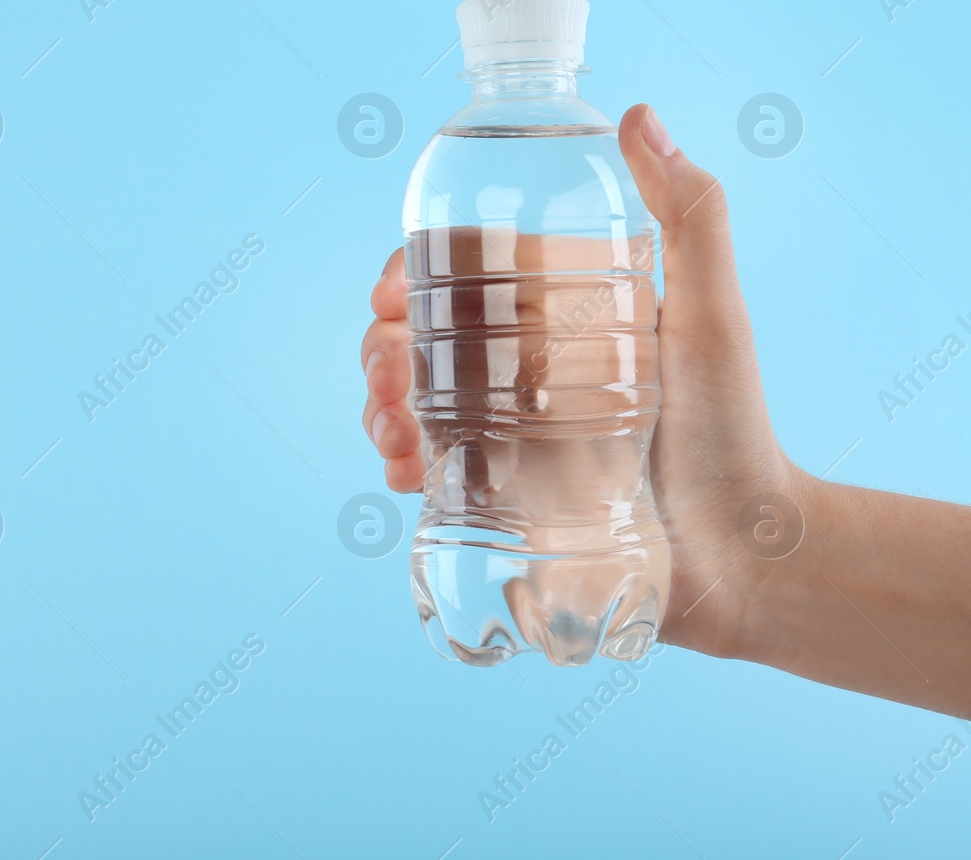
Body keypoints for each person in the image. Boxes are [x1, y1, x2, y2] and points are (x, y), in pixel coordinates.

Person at [360, 104, 971, 717]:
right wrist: (748, 558)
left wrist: (744, 560)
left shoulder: (482, 160)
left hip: (542, 555)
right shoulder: (470, 158)